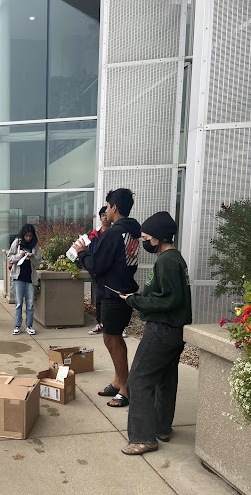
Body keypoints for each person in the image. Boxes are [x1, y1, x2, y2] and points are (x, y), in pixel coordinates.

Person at [119, 211, 192, 455]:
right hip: (173, 331)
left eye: (147, 237)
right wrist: (136, 297)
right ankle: (161, 427)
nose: (145, 242)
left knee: (138, 380)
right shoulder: (174, 258)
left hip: (162, 330)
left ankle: (143, 438)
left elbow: (169, 299)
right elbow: (166, 295)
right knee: (165, 380)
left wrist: (135, 301)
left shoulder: (167, 260)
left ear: (159, 237)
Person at [74, 188, 140, 408]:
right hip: (116, 291)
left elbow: (96, 266)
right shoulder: (130, 231)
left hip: (114, 293)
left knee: (114, 339)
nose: (106, 211)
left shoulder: (114, 233)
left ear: (115, 208)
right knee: (109, 337)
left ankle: (125, 388)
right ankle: (119, 380)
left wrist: (82, 251)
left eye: (108, 206)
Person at [7, 224, 42, 336]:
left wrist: (32, 257)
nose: (28, 238)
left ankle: (29, 325)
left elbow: (38, 262)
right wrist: (19, 255)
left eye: (30, 236)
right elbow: (9, 257)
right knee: (18, 303)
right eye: (26, 236)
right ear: (23, 235)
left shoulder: (34, 244)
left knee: (30, 304)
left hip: (30, 277)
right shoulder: (17, 242)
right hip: (19, 277)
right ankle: (17, 326)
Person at [87, 206, 112, 335]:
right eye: (102, 215)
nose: (105, 218)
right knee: (99, 298)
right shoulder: (94, 235)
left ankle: (116, 326)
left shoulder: (115, 233)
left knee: (113, 299)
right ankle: (99, 323)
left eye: (106, 215)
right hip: (98, 273)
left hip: (112, 273)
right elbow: (90, 252)